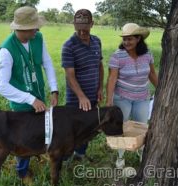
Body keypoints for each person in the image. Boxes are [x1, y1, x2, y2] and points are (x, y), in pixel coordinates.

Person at [0, 6, 58, 185]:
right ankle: (22, 172)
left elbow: (47, 62)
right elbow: (1, 86)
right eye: (34, 27)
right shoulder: (7, 50)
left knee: (40, 129)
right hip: (21, 102)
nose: (37, 30)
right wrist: (30, 99)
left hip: (38, 94)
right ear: (22, 29)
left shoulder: (38, 38)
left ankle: (34, 154)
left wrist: (54, 89)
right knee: (24, 136)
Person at [106, 23, 158, 168]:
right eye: (124, 39)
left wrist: (160, 89)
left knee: (141, 127)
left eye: (130, 39)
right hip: (122, 97)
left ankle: (141, 152)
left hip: (142, 97)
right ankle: (121, 156)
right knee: (121, 127)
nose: (126, 42)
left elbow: (152, 74)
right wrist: (109, 100)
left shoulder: (147, 54)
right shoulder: (118, 56)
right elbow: (112, 79)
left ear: (138, 39)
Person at [61, 9, 104, 160]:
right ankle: (66, 158)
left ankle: (80, 154)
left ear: (92, 24)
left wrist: (100, 88)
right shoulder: (68, 46)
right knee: (71, 129)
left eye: (85, 30)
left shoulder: (97, 41)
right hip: (75, 99)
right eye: (78, 29)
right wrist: (81, 97)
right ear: (74, 25)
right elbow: (70, 75)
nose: (81, 33)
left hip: (93, 96)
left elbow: (99, 66)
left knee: (88, 128)